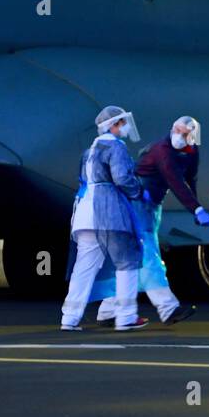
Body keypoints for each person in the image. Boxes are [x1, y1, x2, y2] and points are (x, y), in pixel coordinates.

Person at [95, 115, 209, 327]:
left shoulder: (192, 152)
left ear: (192, 135)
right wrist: (196, 208)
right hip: (137, 204)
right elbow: (174, 181)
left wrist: (195, 207)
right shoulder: (161, 150)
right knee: (148, 257)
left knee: (135, 262)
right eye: (177, 130)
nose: (179, 136)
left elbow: (189, 179)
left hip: (151, 206)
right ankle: (168, 308)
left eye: (185, 133)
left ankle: (109, 310)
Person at [60, 106, 148, 332]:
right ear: (113, 125)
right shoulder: (116, 147)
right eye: (122, 123)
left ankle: (69, 318)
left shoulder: (89, 150)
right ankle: (126, 316)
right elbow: (122, 178)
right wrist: (139, 192)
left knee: (84, 267)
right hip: (109, 213)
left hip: (84, 214)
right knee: (127, 262)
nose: (125, 127)